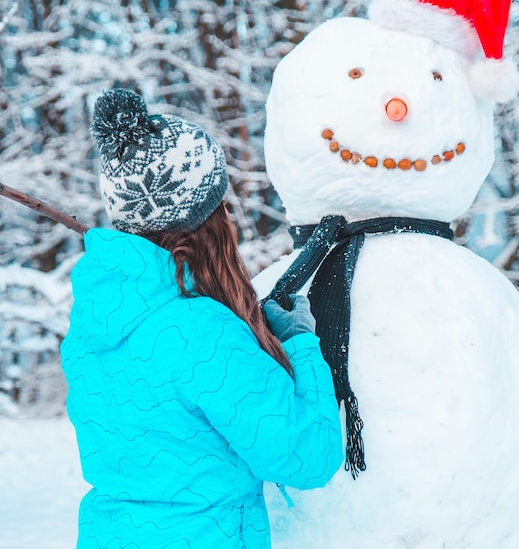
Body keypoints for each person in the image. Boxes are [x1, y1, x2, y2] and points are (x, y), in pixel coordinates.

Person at [61, 88, 343, 548]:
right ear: (209, 220)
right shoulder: (201, 333)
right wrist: (301, 345)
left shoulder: (92, 327)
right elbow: (306, 456)